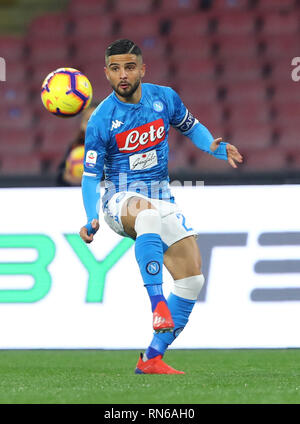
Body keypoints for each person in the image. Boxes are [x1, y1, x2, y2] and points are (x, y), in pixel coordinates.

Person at [79, 39, 243, 374]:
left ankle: (152, 357)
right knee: (147, 214)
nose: (122, 75)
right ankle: (157, 305)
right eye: (115, 68)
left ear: (142, 68)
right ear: (106, 73)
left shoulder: (164, 98)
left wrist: (214, 147)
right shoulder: (100, 120)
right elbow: (89, 175)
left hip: (160, 194)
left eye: (129, 67)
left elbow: (191, 127)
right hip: (120, 200)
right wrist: (90, 217)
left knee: (192, 281)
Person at [56, 103, 98, 186]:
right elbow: (60, 178)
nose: (92, 125)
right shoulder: (74, 147)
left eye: (97, 120)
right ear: (82, 125)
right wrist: (67, 177)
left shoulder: (114, 148)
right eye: (88, 120)